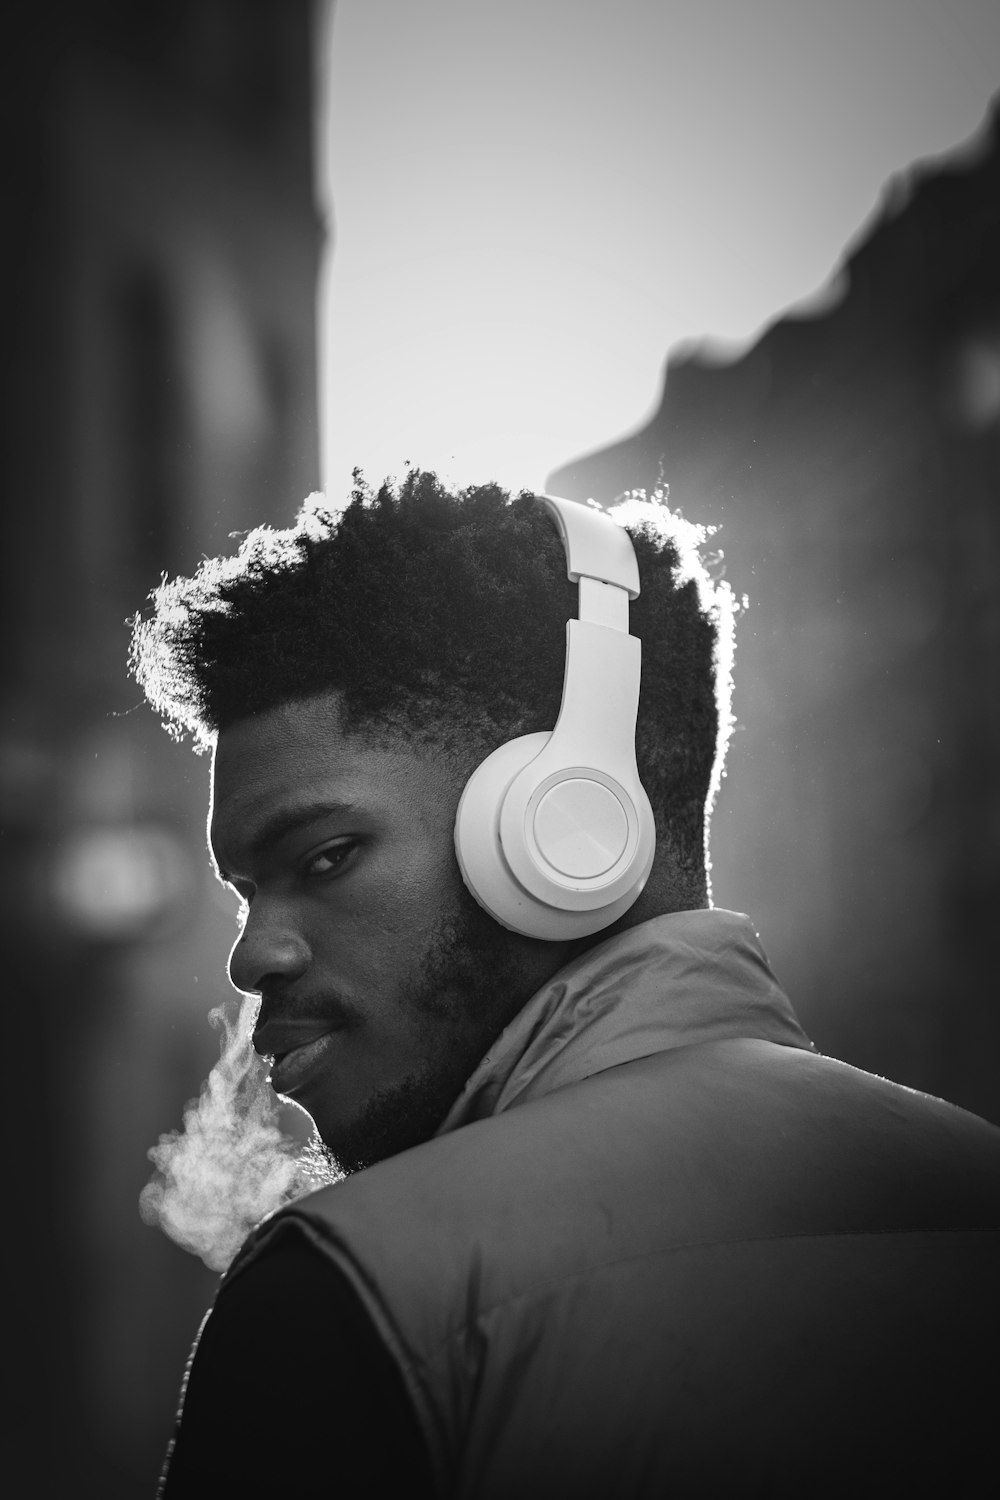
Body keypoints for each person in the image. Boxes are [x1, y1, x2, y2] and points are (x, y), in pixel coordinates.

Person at [131, 470, 999, 1498]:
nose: (252, 957)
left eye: (325, 857)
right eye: (244, 893)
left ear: (560, 830)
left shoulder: (343, 1289)